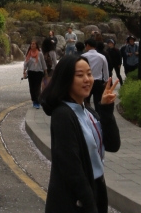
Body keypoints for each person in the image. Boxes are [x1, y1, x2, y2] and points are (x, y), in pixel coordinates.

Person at [41, 53, 120, 213]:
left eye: (89, 74)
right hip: (74, 200)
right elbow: (71, 167)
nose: (87, 79)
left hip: (96, 188)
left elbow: (113, 145)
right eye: (80, 75)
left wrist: (105, 109)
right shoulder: (63, 115)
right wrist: (89, 203)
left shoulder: (88, 111)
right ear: (66, 79)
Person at [82, 39, 109, 111]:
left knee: (85, 101)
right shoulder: (101, 57)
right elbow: (106, 70)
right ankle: (98, 118)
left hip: (86, 81)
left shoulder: (83, 56)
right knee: (98, 102)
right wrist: (106, 81)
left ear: (87, 45)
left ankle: (87, 116)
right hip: (98, 82)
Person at [23, 39, 47, 108]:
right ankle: (34, 101)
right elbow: (25, 63)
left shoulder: (40, 53)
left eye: (34, 44)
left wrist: (45, 72)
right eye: (31, 44)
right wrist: (24, 72)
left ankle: (37, 101)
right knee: (32, 88)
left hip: (39, 72)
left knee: (37, 87)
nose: (32, 45)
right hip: (31, 72)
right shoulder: (28, 53)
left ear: (36, 45)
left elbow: (43, 63)